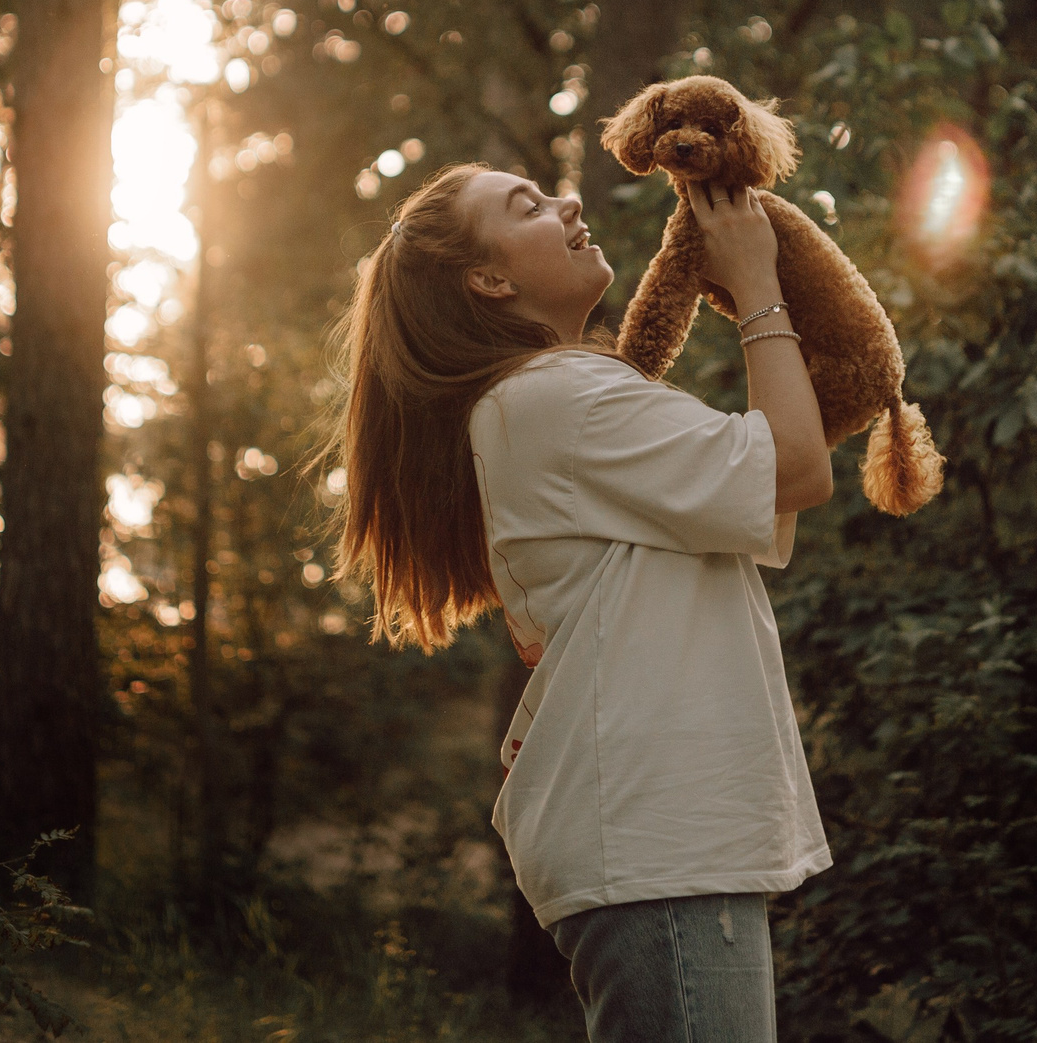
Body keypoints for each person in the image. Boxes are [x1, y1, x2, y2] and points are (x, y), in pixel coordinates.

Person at [326, 159, 834, 1043]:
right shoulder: (556, 396)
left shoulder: (550, 399)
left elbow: (772, 468)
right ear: (488, 278)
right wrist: (757, 284)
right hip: (655, 841)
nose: (567, 203)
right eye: (527, 205)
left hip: (652, 836)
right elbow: (794, 466)